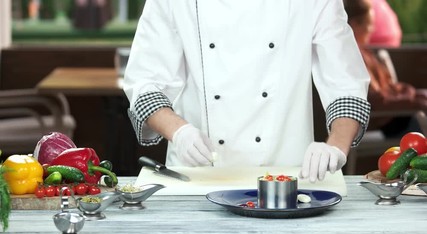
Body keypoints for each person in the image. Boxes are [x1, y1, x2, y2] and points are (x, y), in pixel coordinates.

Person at [123, 0, 371, 183]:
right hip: (196, 177)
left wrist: (336, 146)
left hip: (285, 179)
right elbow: (144, 84)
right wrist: (180, 132)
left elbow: (346, 84)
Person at [344, 0, 427, 137]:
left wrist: (413, 97)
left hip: (388, 114)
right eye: (369, 23)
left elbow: (388, 89)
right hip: (380, 119)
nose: (371, 29)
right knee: (419, 116)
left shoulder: (364, 52)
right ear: (354, 24)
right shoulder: (353, 57)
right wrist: (412, 99)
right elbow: (375, 101)